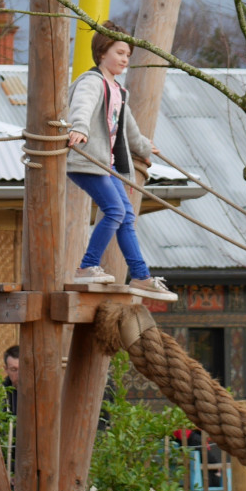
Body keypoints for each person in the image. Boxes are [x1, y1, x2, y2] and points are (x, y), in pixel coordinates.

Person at [65, 22, 178, 303]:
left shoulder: (118, 90)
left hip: (110, 163)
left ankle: (141, 275)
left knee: (126, 217)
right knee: (114, 211)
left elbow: (128, 129)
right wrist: (79, 127)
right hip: (89, 160)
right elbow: (82, 105)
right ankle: (87, 266)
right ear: (103, 52)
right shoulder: (92, 81)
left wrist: (144, 147)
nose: (125, 59)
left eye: (128, 54)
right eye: (120, 52)